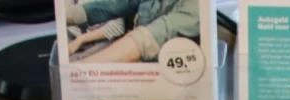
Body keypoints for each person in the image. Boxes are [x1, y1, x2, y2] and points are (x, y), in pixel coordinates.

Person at [67, 0, 198, 61]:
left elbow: (146, 40)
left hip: (161, 78)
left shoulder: (196, 5)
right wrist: (65, 15)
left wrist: (82, 73)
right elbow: (113, 6)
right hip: (131, 54)